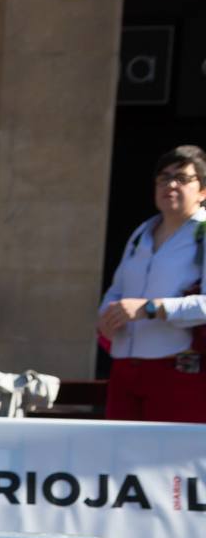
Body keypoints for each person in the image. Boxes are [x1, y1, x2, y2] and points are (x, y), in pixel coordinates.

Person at [97, 145, 206, 423]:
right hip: (125, 367)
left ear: (203, 191)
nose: (170, 184)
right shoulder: (141, 233)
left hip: (180, 369)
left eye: (182, 178)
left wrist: (151, 308)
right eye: (163, 177)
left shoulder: (202, 232)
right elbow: (117, 290)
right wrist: (107, 317)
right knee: (120, 458)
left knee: (170, 463)